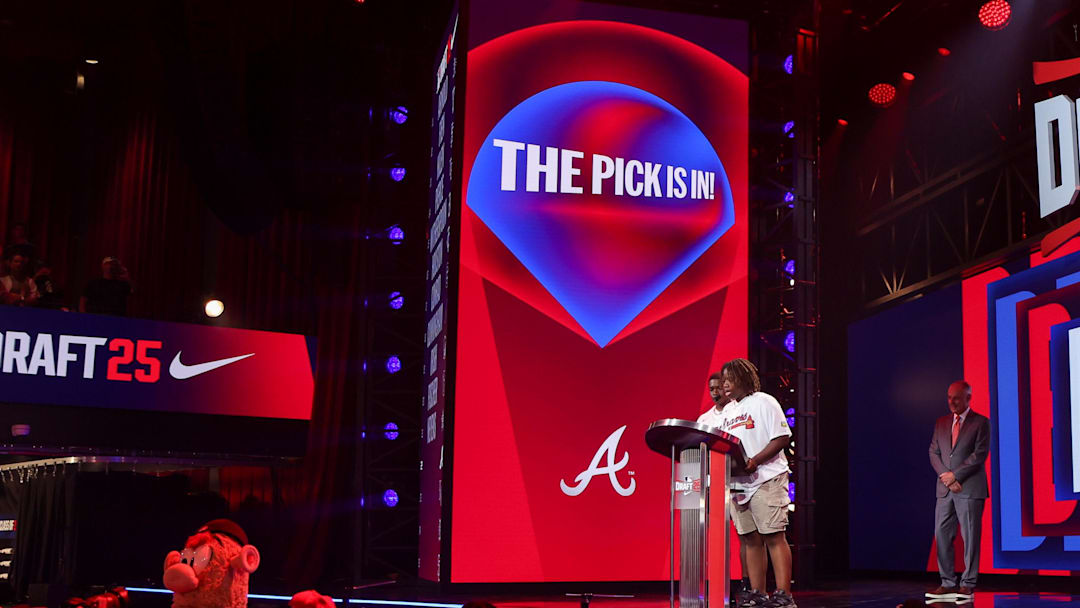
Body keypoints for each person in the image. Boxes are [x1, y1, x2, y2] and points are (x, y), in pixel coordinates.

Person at [701, 359, 794, 608]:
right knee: (750, 539)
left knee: (773, 535)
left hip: (766, 477)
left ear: (743, 377)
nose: (725, 384)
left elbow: (782, 436)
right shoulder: (728, 412)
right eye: (724, 379)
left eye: (730, 378)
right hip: (738, 484)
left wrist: (755, 460)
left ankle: (784, 594)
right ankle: (758, 592)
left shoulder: (764, 401)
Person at [926, 381, 990, 602]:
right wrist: (947, 477)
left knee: (970, 537)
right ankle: (947, 583)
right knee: (942, 534)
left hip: (970, 489)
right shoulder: (941, 422)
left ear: (968, 398)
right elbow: (934, 452)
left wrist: (956, 476)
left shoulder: (981, 422)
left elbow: (979, 454)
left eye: (957, 398)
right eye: (949, 397)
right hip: (945, 490)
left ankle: (968, 584)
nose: (952, 402)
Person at [698, 372, 755, 603]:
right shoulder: (704, 419)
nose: (715, 392)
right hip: (716, 485)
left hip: (740, 484)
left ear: (727, 387)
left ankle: (747, 583)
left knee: (746, 536)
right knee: (717, 537)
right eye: (711, 389)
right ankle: (720, 585)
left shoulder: (738, 411)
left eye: (719, 388)